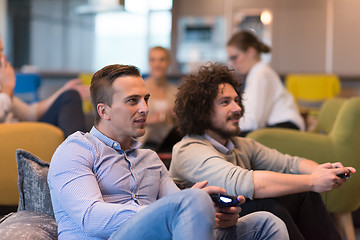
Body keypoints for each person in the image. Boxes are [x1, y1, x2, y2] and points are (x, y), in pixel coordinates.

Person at [48, 64, 289, 240]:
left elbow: (179, 209)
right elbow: (91, 219)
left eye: (146, 99)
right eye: (133, 101)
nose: (145, 108)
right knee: (192, 199)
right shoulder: (76, 150)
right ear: (104, 111)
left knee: (266, 223)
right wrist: (182, 205)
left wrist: (212, 213)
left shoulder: (149, 159)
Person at [169, 62, 355, 240]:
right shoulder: (189, 150)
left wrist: (322, 172)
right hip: (205, 232)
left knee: (303, 192)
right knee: (268, 206)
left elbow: (290, 163)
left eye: (236, 100)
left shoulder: (240, 145)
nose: (237, 108)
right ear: (201, 110)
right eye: (225, 102)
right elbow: (246, 183)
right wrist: (313, 181)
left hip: (233, 221)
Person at [0, 37, 88, 137]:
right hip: (14, 138)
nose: (3, 58)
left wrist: (63, 91)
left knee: (69, 96)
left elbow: (30, 113)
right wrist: (7, 88)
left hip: (22, 132)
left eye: (2, 51)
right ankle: (80, 148)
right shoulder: (5, 90)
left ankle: (81, 148)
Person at [226, 31, 305, 136]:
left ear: (251, 52)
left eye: (235, 57)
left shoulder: (260, 73)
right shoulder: (258, 72)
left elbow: (253, 122)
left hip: (286, 128)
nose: (232, 63)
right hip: (282, 126)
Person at [138, 46, 180, 151]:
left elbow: (180, 125)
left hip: (169, 146)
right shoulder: (139, 88)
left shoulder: (175, 91)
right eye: (153, 60)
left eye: (162, 60)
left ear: (168, 62)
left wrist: (177, 117)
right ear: (149, 62)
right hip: (145, 145)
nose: (157, 64)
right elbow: (127, 119)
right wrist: (150, 120)